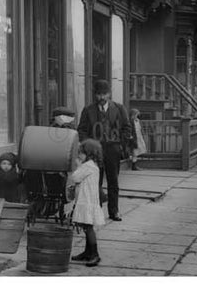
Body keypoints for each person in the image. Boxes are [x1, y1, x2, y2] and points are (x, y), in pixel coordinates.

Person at [78, 79, 132, 221]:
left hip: (113, 150)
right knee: (95, 182)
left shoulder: (119, 109)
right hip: (94, 153)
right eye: (99, 94)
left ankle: (114, 211)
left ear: (109, 94)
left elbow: (127, 128)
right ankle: (97, 212)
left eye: (104, 94)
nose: (101, 97)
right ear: (95, 95)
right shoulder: (88, 110)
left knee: (113, 181)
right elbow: (82, 131)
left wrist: (120, 145)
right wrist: (88, 146)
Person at [70, 139, 105, 267]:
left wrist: (78, 165)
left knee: (88, 228)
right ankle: (87, 252)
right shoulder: (93, 165)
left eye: (81, 153)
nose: (79, 155)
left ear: (88, 154)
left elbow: (75, 177)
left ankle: (95, 254)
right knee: (86, 227)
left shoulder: (87, 166)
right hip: (88, 201)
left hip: (87, 201)